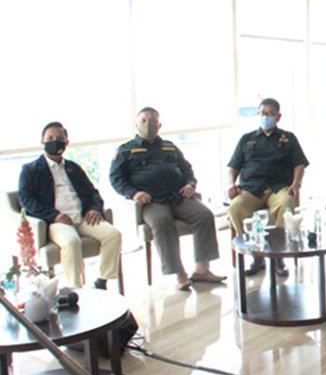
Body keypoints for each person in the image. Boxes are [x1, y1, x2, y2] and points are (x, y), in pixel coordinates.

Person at [110, 107, 225, 291]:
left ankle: (202, 269)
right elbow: (116, 179)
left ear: (159, 125)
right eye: (144, 120)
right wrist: (133, 193)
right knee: (162, 222)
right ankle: (179, 273)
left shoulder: (170, 147)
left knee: (204, 215)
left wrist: (190, 184)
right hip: (151, 201)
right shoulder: (126, 150)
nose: (148, 124)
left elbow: (187, 170)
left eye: (153, 121)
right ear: (136, 124)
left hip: (178, 196)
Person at [18, 122, 122, 290]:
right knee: (72, 241)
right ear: (42, 141)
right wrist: (53, 215)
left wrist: (94, 209)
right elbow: (26, 199)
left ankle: (102, 282)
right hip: (56, 221)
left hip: (82, 217)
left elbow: (93, 193)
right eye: (50, 138)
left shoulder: (73, 168)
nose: (55, 141)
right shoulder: (31, 169)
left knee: (113, 234)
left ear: (66, 142)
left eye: (59, 138)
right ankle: (76, 288)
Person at [227, 98, 309, 277]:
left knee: (286, 203)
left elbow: (299, 164)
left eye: (271, 114)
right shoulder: (246, 139)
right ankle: (256, 255)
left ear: (278, 117)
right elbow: (233, 166)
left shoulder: (288, 138)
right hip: (251, 189)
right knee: (235, 207)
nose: (266, 117)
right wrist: (231, 184)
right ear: (258, 114)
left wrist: (296, 183)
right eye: (263, 113)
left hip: (278, 188)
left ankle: (278, 256)